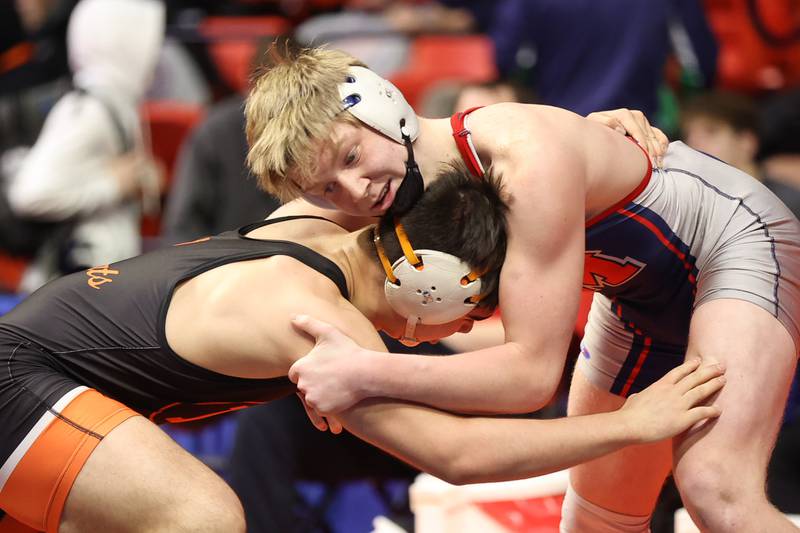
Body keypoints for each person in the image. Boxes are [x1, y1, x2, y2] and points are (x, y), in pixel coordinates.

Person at [246, 47, 800, 531]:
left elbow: (531, 378)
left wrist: (363, 370)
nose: (354, 190)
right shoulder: (383, 182)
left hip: (731, 239)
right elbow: (254, 249)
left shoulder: (522, 156)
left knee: (715, 492)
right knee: (595, 517)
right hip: (635, 295)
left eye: (350, 158)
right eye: (326, 188)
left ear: (386, 106)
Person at [0, 164, 723, 533]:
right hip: (20, 383)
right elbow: (457, 454)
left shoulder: (320, 220)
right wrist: (633, 424)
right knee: (202, 517)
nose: (468, 330)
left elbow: (441, 149)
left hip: (48, 386)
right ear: (433, 284)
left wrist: (600, 151)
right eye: (474, 308)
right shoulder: (315, 322)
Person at [4, 0, 164, 291]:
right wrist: (111, 185)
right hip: (78, 285)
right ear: (122, 40)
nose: (153, 53)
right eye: (146, 40)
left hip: (101, 281)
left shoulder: (118, 100)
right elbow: (30, 193)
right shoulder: (91, 107)